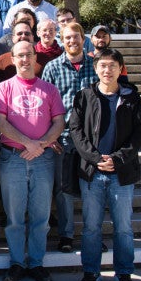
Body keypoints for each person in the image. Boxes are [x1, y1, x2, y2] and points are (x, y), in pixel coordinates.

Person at [69, 49, 141, 281]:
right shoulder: (85, 95)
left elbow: (139, 134)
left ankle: (124, 273)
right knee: (91, 227)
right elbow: (76, 131)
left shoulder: (131, 96)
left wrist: (117, 159)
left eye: (112, 65)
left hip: (121, 173)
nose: (107, 70)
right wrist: (95, 158)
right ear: (96, 68)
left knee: (123, 227)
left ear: (120, 68)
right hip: (92, 172)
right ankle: (91, 272)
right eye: (102, 65)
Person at [0, 41, 65, 281]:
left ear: (36, 58)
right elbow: (0, 123)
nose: (24, 59)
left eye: (28, 55)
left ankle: (36, 263)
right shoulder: (3, 88)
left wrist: (41, 145)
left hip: (43, 159)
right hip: (13, 158)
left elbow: (59, 123)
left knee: (41, 216)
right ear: (13, 59)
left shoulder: (50, 90)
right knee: (14, 217)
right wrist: (28, 143)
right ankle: (16, 263)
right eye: (20, 55)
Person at [41, 22, 98, 254]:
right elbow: (43, 105)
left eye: (76, 37)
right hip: (62, 138)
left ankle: (92, 235)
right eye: (67, 38)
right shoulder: (53, 68)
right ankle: (66, 234)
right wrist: (49, 136)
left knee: (91, 189)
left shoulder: (96, 67)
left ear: (83, 39)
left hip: (91, 139)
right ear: (61, 40)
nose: (71, 41)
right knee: (63, 190)